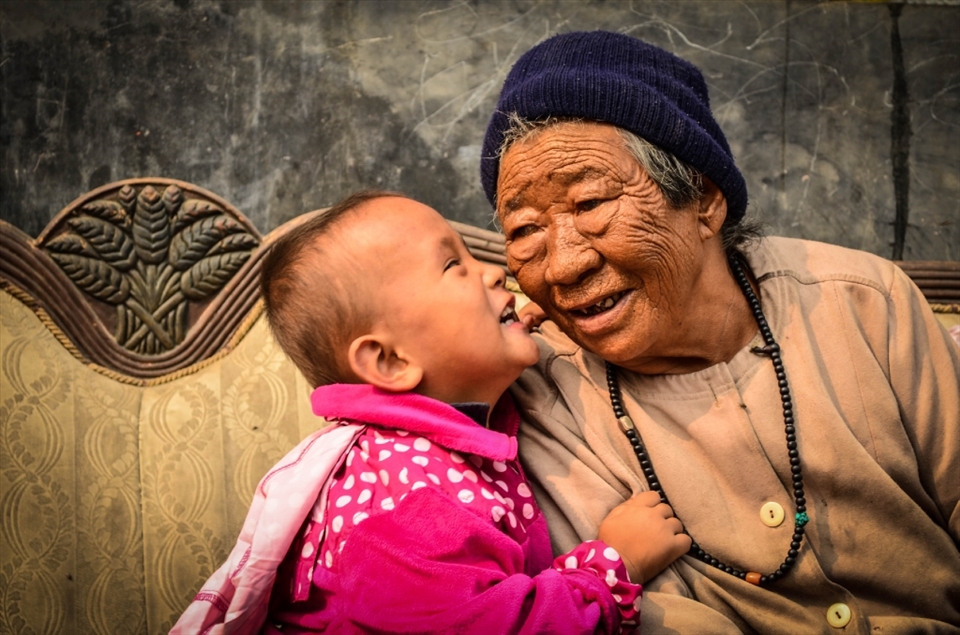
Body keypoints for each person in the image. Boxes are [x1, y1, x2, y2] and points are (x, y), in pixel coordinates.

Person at [480, 30, 960, 634]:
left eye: (591, 202)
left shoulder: (864, 301)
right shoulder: (546, 397)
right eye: (524, 229)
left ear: (704, 200)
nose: (563, 263)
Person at [171, 190, 692, 634]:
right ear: (391, 360)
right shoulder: (403, 507)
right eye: (453, 266)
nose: (495, 273)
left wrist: (520, 328)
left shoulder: (427, 443)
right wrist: (611, 565)